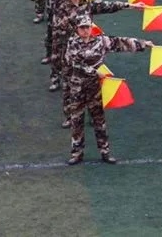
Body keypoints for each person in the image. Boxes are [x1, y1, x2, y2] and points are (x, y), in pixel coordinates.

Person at [65, 15, 152, 165]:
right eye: (82, 28)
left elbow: (120, 42)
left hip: (95, 89)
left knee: (99, 121)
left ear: (91, 27)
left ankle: (105, 152)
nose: (85, 30)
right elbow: (73, 63)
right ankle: (76, 153)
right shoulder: (72, 43)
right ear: (77, 29)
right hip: (77, 89)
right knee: (76, 121)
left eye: (87, 27)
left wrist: (143, 44)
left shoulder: (100, 41)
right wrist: (95, 72)